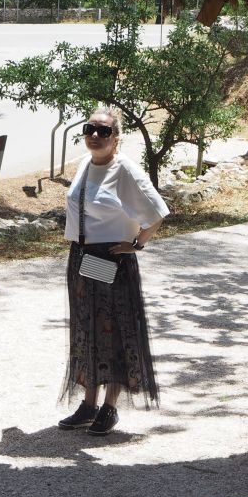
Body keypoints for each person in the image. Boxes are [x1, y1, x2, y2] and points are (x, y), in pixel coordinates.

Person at [57, 108, 169, 436]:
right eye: (90, 128)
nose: (95, 135)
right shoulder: (85, 163)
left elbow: (157, 212)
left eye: (103, 131)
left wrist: (138, 243)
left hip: (109, 260)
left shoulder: (125, 170)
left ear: (116, 138)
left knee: (113, 332)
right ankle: (88, 405)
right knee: (86, 331)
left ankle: (109, 407)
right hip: (81, 258)